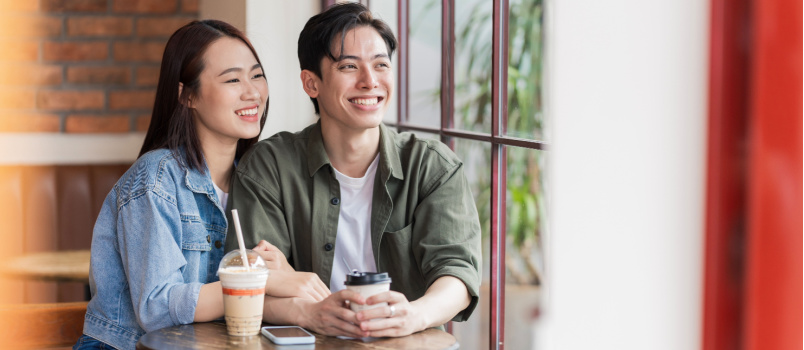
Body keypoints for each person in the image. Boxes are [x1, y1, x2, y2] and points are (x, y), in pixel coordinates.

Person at [225, 3, 482, 338]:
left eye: (380, 65)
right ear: (311, 84)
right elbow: (251, 285)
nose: (370, 81)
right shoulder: (269, 166)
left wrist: (413, 315)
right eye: (349, 67)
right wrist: (311, 313)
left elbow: (458, 273)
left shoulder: (431, 166)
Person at [74, 20, 329, 350]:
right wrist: (260, 280)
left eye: (256, 75)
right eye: (233, 79)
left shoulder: (256, 181)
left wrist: (278, 269)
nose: (252, 92)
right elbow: (156, 308)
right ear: (188, 95)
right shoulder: (156, 179)